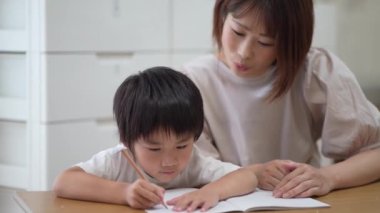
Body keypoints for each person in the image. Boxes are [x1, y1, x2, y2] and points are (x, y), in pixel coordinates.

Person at [180, 0, 380, 199]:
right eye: (238, 32)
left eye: (265, 42)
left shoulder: (315, 71)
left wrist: (327, 177)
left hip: (301, 202)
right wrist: (255, 174)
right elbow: (186, 169)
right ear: (223, 15)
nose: (244, 52)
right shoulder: (192, 81)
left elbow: (375, 152)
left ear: (291, 42)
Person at [53, 66, 258, 212]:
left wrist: (211, 192)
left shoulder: (195, 162)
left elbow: (247, 177)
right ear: (128, 141)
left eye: (181, 145)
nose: (170, 161)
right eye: (154, 149)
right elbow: (64, 182)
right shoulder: (117, 161)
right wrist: (124, 193)